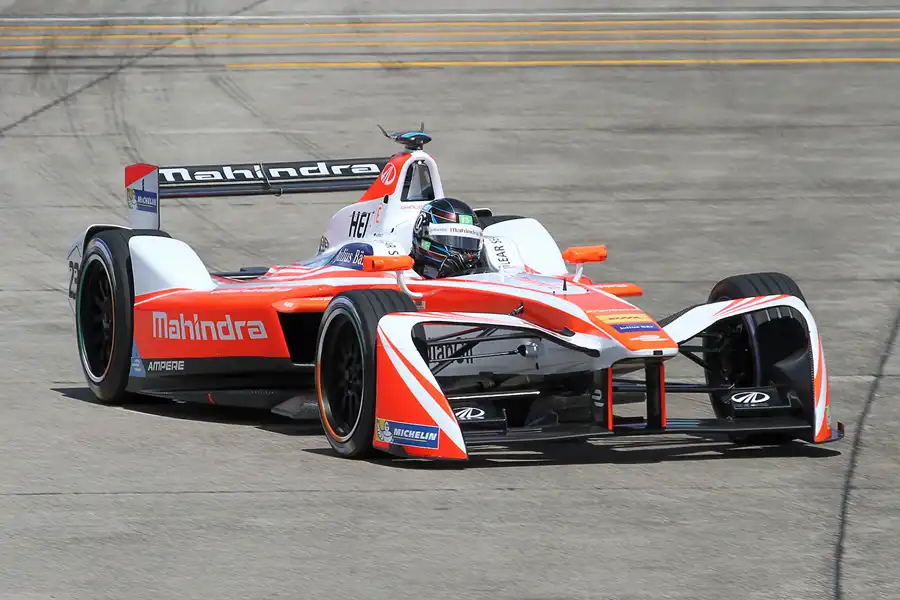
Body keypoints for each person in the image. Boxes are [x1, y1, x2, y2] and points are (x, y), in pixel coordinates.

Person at [410, 198, 486, 279]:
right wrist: (443, 277)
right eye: (453, 240)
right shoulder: (405, 276)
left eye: (469, 242)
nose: (465, 253)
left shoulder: (481, 272)